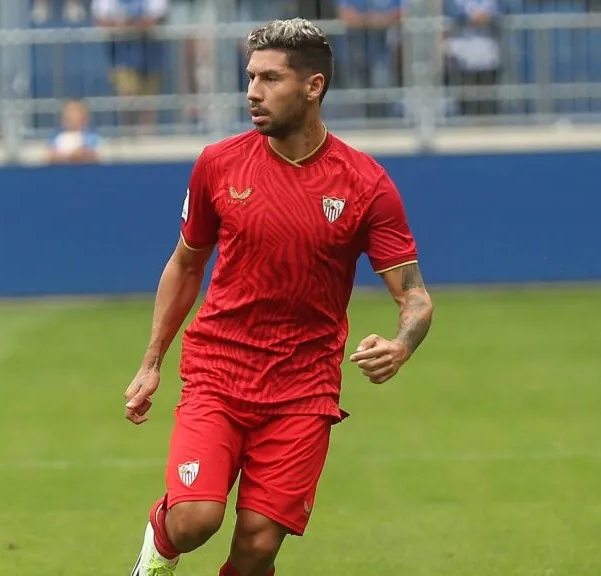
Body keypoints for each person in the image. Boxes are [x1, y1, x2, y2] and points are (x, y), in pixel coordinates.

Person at [123, 17, 434, 576]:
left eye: (269, 78)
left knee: (259, 545)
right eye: (250, 77)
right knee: (195, 519)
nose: (252, 92)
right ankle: (156, 556)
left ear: (313, 86)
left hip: (303, 385)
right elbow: (186, 263)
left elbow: (413, 295)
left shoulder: (365, 184)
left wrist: (403, 343)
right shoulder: (219, 164)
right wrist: (152, 362)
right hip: (220, 369)